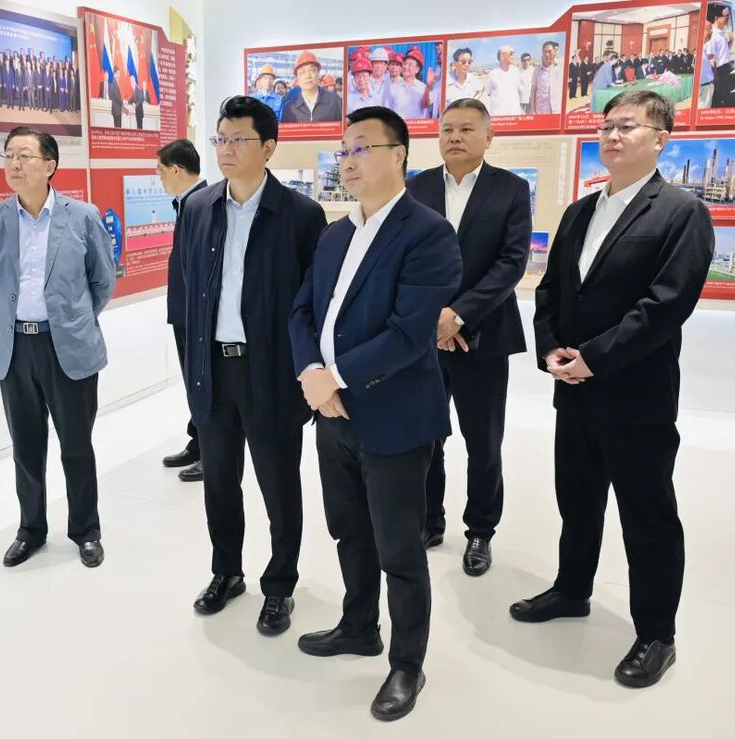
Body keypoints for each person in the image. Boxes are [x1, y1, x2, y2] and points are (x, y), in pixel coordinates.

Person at [511, 91, 713, 688]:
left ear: (661, 139)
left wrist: (593, 358)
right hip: (573, 391)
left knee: (647, 514)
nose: (613, 135)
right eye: (607, 126)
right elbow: (550, 289)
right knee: (577, 500)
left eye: (628, 126)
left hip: (636, 395)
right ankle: (572, 589)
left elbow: (666, 305)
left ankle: (657, 633)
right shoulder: (580, 211)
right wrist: (551, 348)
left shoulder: (680, 212)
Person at [290, 105, 462, 722]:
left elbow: (409, 333)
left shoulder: (428, 233)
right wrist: (310, 375)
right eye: (344, 149)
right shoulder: (335, 233)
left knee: (400, 548)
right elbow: (302, 312)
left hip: (393, 415)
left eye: (361, 147)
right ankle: (359, 625)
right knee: (348, 529)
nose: (348, 160)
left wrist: (332, 377)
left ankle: (407, 663)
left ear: (399, 155)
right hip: (331, 411)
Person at [178, 96, 327, 635]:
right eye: (220, 139)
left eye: (238, 139)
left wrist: (308, 373)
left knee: (279, 487)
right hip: (213, 371)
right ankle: (227, 572)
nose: (226, 149)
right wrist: (191, 367)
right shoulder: (198, 208)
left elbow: (314, 305)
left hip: (271, 372)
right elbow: (183, 292)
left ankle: (280, 585)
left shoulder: (301, 215)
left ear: (268, 148)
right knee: (219, 482)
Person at [0, 126, 116, 569]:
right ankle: (31, 529)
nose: (14, 164)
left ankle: (86, 531)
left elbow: (102, 281)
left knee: (76, 445)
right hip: (15, 349)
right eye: (9, 155)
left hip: (67, 346)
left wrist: (71, 320)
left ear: (50, 165)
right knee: (26, 447)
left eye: (24, 155)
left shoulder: (82, 216)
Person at [407, 97, 531, 569]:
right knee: (426, 435)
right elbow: (406, 260)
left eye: (465, 129)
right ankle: (428, 520)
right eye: (447, 129)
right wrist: (432, 318)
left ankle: (480, 531)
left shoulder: (511, 189)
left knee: (484, 442)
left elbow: (511, 262)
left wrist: (458, 315)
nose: (454, 137)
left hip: (485, 335)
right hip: (424, 339)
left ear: (488, 136)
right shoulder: (416, 187)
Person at [158, 140, 207, 483]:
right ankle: (198, 441)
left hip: (195, 315)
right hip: (184, 311)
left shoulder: (201, 205)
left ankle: (210, 450)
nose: (160, 179)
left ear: (176, 169)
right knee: (193, 382)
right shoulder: (187, 204)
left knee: (201, 383)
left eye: (161, 171)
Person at [281, 52, 343, 122]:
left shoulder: (335, 102)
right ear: (297, 78)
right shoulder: (289, 109)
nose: (308, 76)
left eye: (312, 70)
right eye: (302, 72)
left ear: (318, 74)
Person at [388, 46, 437, 119]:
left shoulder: (423, 87)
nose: (406, 67)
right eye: (405, 63)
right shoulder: (394, 87)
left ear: (417, 69)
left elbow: (425, 104)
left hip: (419, 125)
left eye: (410, 64)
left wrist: (428, 86)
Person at [706, 4, 735, 107]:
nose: (728, 18)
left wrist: (731, 41)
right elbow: (711, 58)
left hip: (725, 68)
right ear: (716, 18)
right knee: (717, 99)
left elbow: (724, 51)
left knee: (724, 96)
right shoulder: (712, 34)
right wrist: (715, 77)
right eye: (725, 16)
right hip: (718, 70)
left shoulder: (722, 32)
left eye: (728, 16)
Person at [484, 45, 522, 116]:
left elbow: (519, 90)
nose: (513, 56)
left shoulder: (516, 71)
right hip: (499, 115)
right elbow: (488, 92)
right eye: (511, 53)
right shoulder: (493, 74)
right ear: (502, 56)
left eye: (513, 53)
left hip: (515, 113)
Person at [530, 41, 562, 114]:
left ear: (555, 52)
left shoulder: (561, 67)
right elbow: (533, 91)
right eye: (544, 52)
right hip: (541, 111)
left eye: (549, 52)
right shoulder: (537, 71)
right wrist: (533, 110)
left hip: (557, 111)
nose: (547, 54)